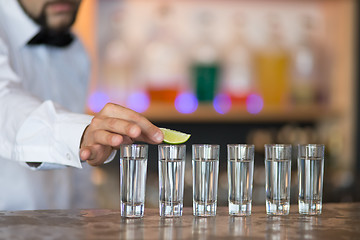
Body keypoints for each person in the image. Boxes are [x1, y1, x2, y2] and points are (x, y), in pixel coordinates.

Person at [0, 0, 163, 210]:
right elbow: (5, 103)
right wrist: (80, 133)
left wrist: (87, 220)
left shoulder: (77, 51)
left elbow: (79, 176)